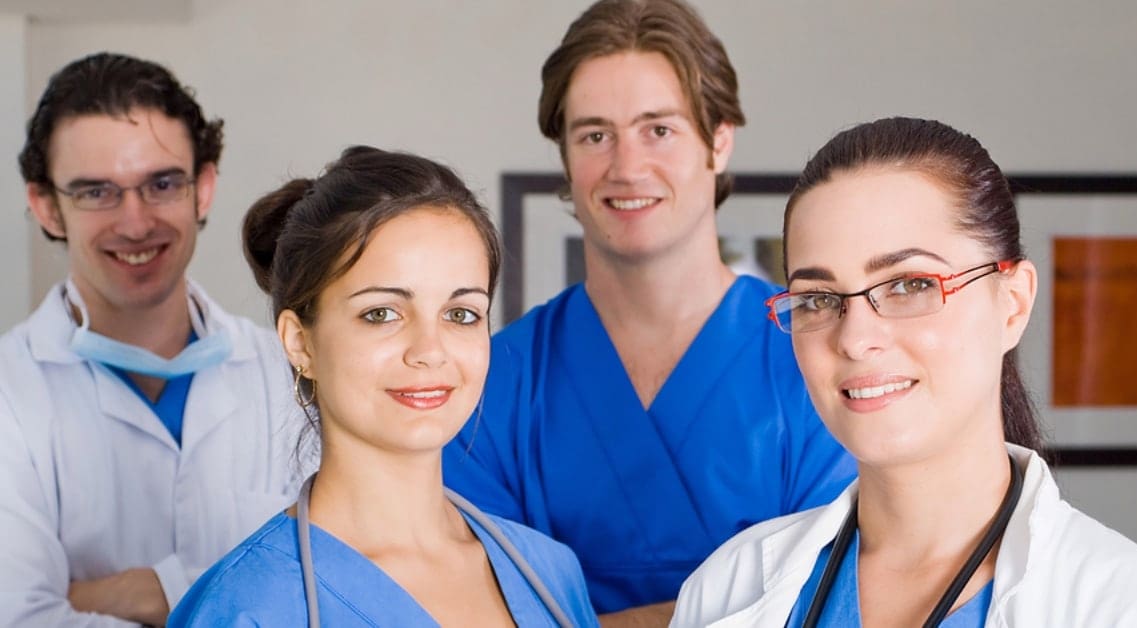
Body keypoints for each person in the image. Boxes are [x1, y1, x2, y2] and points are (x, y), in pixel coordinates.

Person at [671, 117, 1137, 627]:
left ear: (1012, 304)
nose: (854, 338)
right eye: (819, 298)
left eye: (909, 285)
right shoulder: (726, 591)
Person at [442, 0, 855, 624]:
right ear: (565, 157)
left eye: (657, 129)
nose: (626, 166)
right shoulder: (493, 383)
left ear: (719, 141)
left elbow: (845, 600)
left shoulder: (817, 358)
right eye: (595, 135)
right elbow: (461, 608)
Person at [169, 146, 599, 627]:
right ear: (299, 342)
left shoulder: (549, 574)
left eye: (461, 314)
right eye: (382, 313)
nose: (429, 350)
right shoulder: (250, 607)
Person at [0, 53, 302, 626]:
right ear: (47, 206)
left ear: (203, 188)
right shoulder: (9, 392)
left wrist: (140, 592)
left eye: (161, 184)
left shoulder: (287, 372)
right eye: (95, 192)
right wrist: (234, 594)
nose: (135, 223)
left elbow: (335, 589)